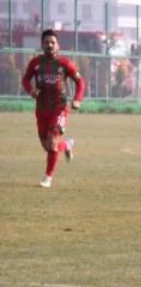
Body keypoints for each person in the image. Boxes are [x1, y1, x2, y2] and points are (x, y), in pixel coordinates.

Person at [21, 29, 86, 189]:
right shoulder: (35, 63)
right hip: (42, 109)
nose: (49, 45)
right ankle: (67, 145)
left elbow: (80, 82)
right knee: (48, 146)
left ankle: (47, 178)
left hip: (60, 108)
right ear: (42, 45)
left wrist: (77, 100)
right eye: (46, 42)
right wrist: (31, 90)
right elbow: (25, 80)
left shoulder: (64, 63)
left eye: (52, 42)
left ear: (58, 45)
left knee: (51, 143)